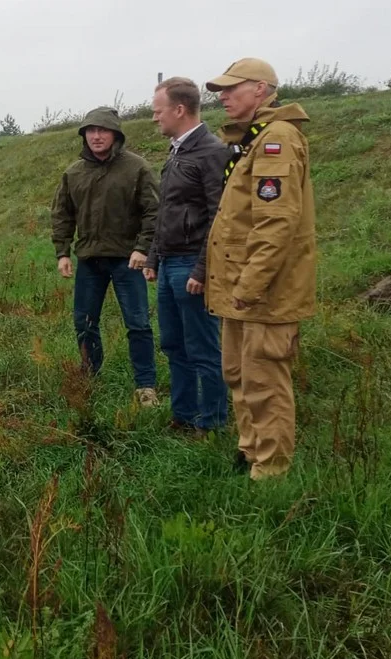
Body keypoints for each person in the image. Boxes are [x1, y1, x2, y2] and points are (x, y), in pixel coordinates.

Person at [203, 58, 317, 479]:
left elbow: (276, 222)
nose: (223, 96)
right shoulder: (252, 139)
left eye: (233, 88)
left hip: (266, 289)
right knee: (239, 373)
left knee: (265, 379)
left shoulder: (277, 139)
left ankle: (271, 472)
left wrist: (249, 284)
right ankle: (250, 450)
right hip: (240, 287)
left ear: (263, 89)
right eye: (221, 90)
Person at [51, 106, 161, 407]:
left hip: (128, 260)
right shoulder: (73, 173)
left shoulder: (137, 168)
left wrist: (142, 248)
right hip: (89, 260)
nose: (96, 136)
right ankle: (89, 376)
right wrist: (63, 252)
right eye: (90, 131)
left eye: (103, 130)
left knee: (137, 323)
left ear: (115, 135)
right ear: (84, 136)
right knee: (84, 322)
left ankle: (146, 386)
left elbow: (154, 211)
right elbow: (62, 215)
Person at [143, 77, 229, 437]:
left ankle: (211, 422)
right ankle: (183, 415)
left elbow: (219, 216)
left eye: (157, 111)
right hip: (169, 263)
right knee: (174, 345)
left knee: (203, 348)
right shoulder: (177, 151)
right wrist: (152, 257)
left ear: (179, 110)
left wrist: (202, 268)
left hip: (192, 266)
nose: (153, 118)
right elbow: (168, 211)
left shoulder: (211, 152)